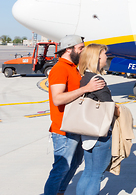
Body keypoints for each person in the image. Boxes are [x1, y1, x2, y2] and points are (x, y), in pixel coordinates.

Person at [44, 35, 105, 195]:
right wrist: (86, 89)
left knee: (75, 162)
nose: (83, 51)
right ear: (68, 49)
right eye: (80, 48)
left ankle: (60, 191)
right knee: (61, 168)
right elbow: (58, 99)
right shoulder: (60, 68)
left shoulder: (73, 67)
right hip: (63, 129)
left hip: (75, 126)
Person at [76, 44, 120, 195]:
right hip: (100, 132)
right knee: (96, 175)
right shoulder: (97, 80)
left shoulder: (84, 77)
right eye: (104, 55)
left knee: (88, 171)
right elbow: (108, 105)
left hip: (87, 132)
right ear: (97, 58)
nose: (107, 58)